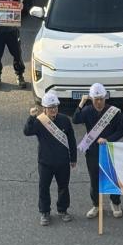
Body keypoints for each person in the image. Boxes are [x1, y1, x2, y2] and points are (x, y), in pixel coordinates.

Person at [23, 92, 77, 226]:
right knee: (43, 187)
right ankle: (44, 212)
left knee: (63, 187)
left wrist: (73, 158)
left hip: (63, 161)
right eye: (50, 107)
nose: (54, 110)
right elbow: (27, 131)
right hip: (45, 162)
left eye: (55, 107)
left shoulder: (65, 120)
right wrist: (31, 117)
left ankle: (63, 210)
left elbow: (71, 139)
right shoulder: (39, 121)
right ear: (44, 109)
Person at [73, 83, 123, 219]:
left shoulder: (114, 112)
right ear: (91, 99)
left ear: (105, 97)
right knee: (94, 179)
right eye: (96, 99)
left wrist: (108, 139)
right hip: (92, 151)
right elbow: (75, 119)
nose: (99, 102)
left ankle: (115, 203)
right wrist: (81, 103)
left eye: (101, 98)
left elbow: (121, 130)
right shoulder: (87, 111)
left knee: (112, 178)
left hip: (109, 148)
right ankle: (96, 205)